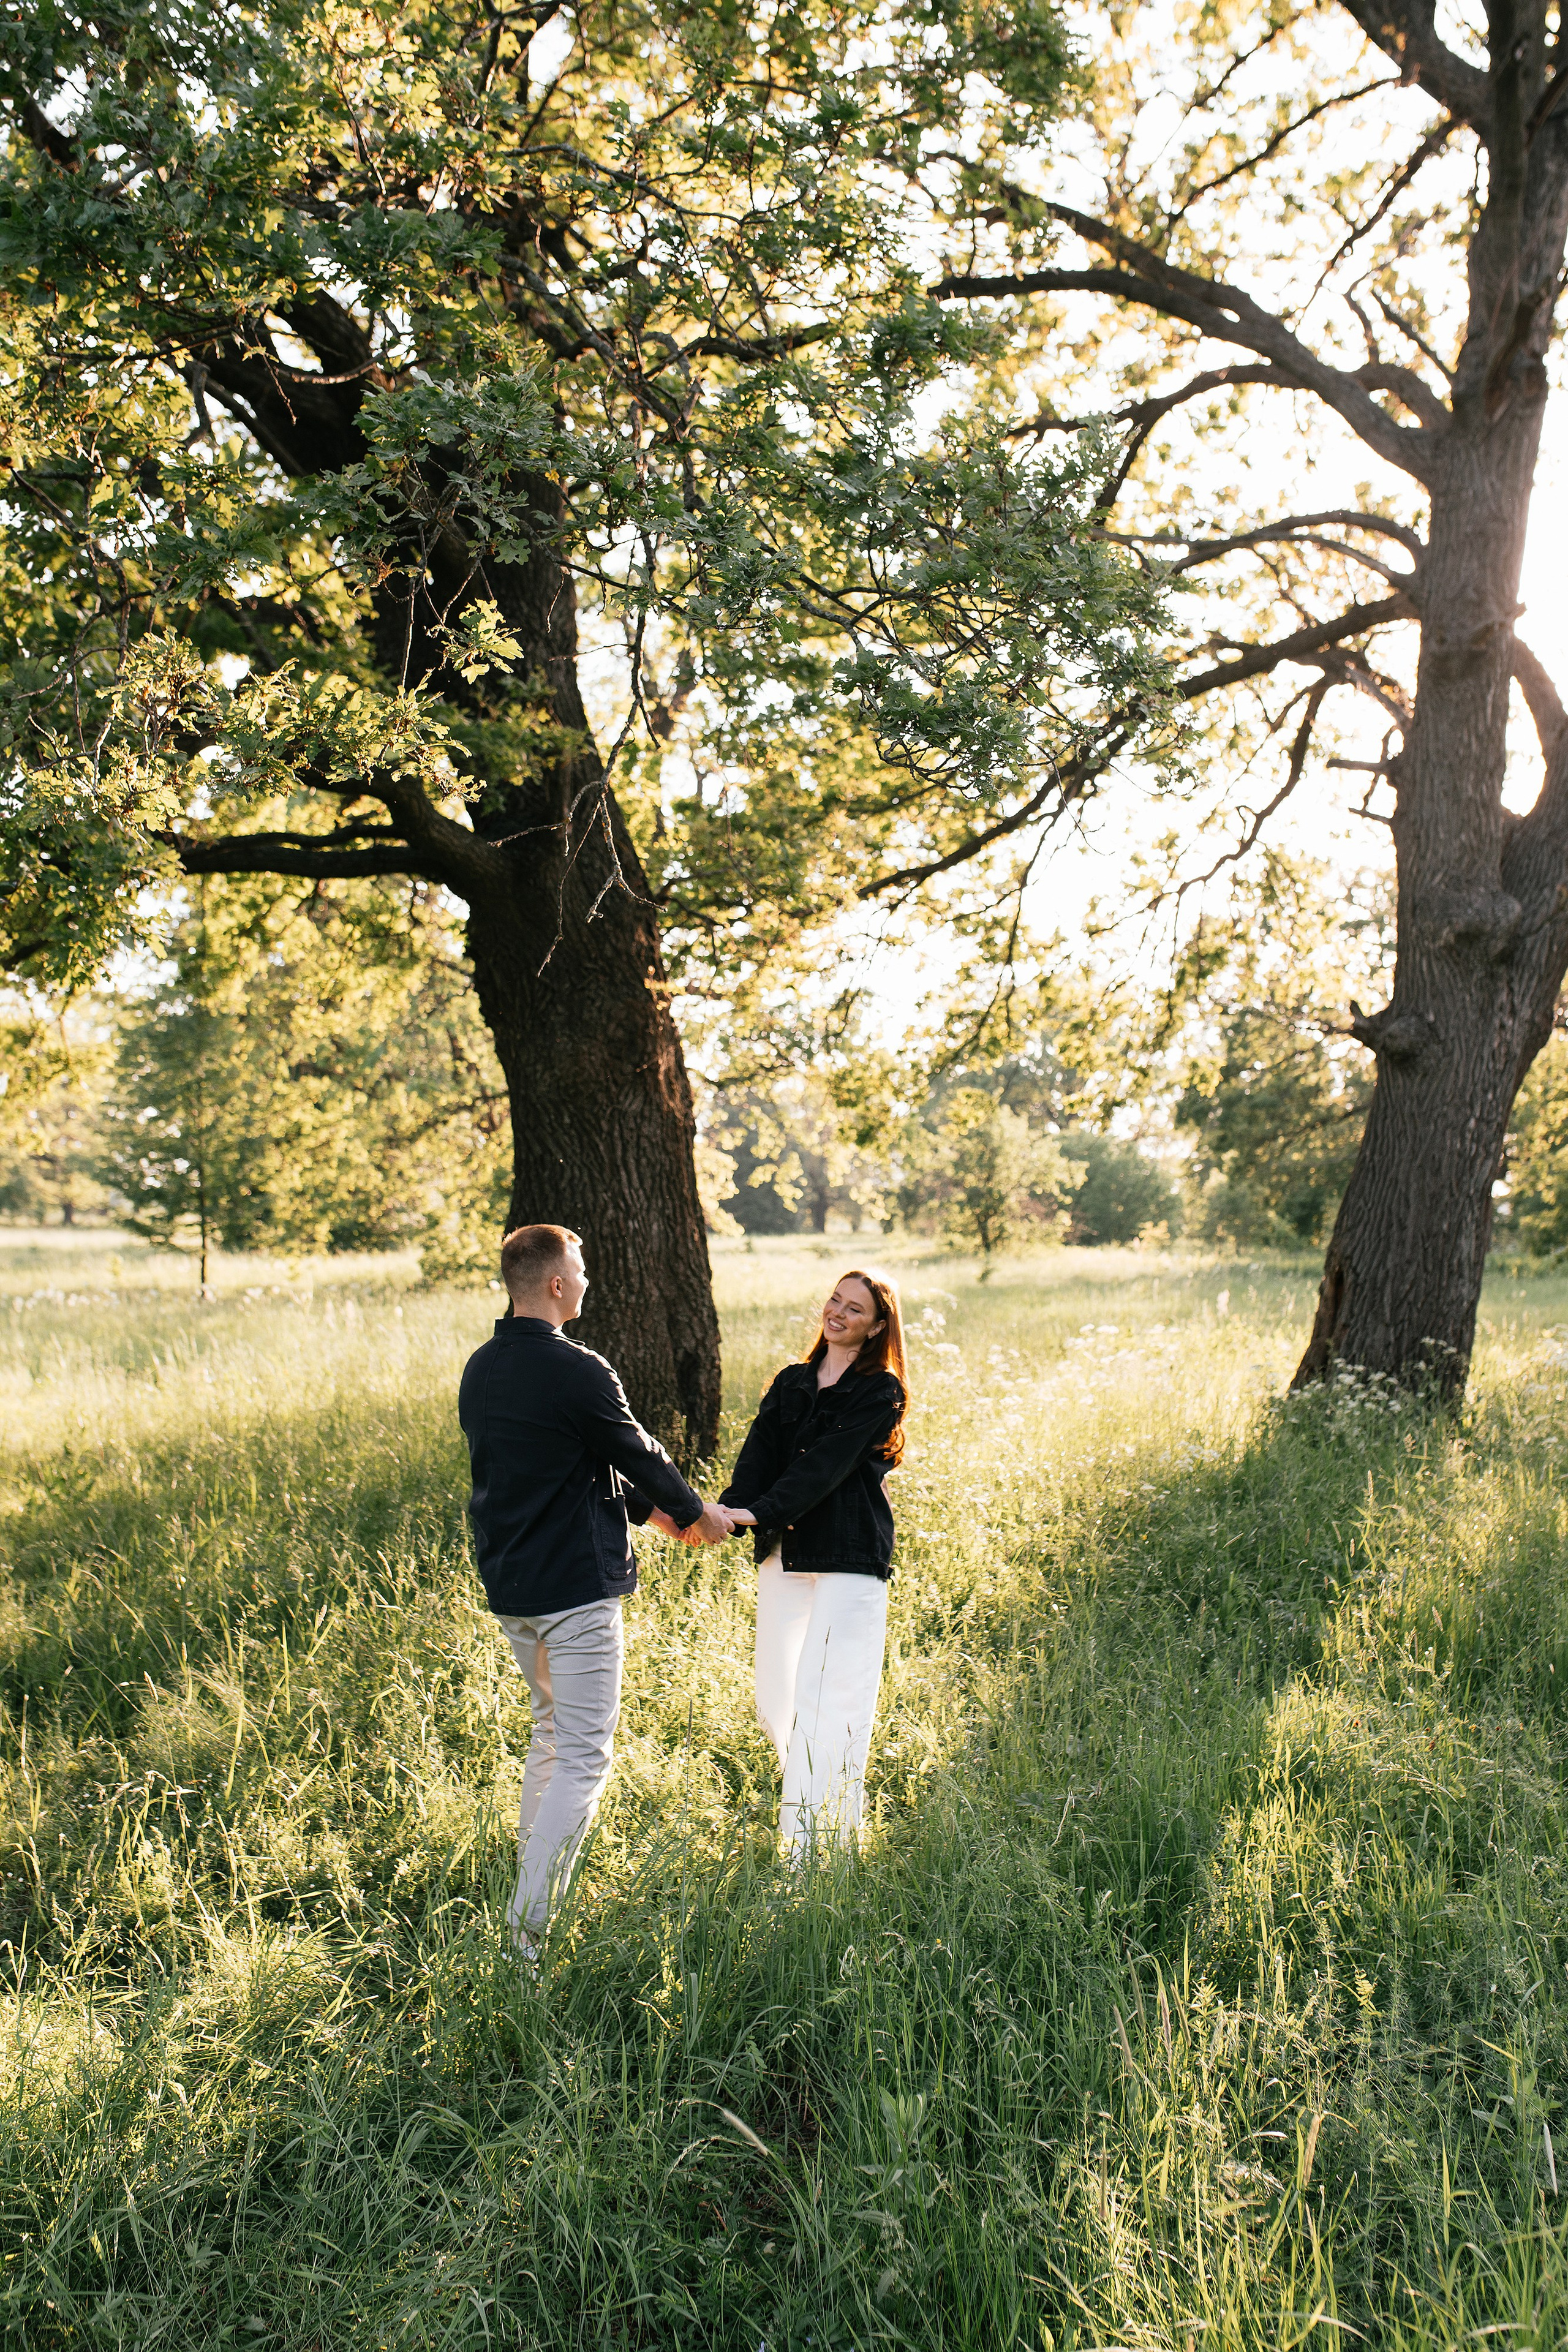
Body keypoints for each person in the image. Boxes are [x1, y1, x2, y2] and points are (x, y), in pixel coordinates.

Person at [458, 1223, 735, 1958]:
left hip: (515, 1588)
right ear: (554, 1283)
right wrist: (693, 1513)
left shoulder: (481, 1368)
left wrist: (666, 1520)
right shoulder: (578, 1368)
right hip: (573, 1592)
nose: (585, 1281)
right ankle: (526, 1933)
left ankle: (530, 1892)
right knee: (583, 1754)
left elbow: (572, 1469)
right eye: (578, 1270)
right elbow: (634, 1452)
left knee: (549, 1738)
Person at [721, 1267, 908, 1858]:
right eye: (835, 1300)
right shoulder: (791, 1382)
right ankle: (809, 1801)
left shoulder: (880, 1390)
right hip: (787, 1552)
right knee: (777, 1693)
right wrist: (724, 1512)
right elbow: (759, 1456)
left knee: (833, 1697)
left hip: (849, 1555)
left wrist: (758, 1513)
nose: (839, 1313)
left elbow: (824, 1465)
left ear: (878, 1326)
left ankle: (816, 1850)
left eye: (856, 1309)